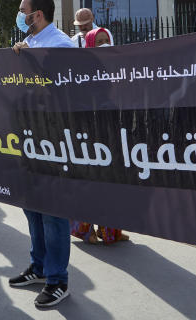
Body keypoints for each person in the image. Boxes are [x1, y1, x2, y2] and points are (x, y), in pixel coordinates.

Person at [8, 0, 76, 309]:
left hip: (54, 138)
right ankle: (39, 267)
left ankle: (58, 279)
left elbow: (60, 87)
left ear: (37, 15)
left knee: (53, 211)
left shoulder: (61, 45)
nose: (20, 16)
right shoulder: (30, 44)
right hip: (30, 135)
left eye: (23, 11)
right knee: (32, 206)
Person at [69, 28, 128, 246]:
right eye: (99, 41)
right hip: (91, 128)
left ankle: (111, 231)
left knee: (113, 182)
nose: (104, 44)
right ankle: (85, 230)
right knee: (90, 180)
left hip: (113, 128)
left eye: (107, 40)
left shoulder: (118, 66)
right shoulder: (83, 69)